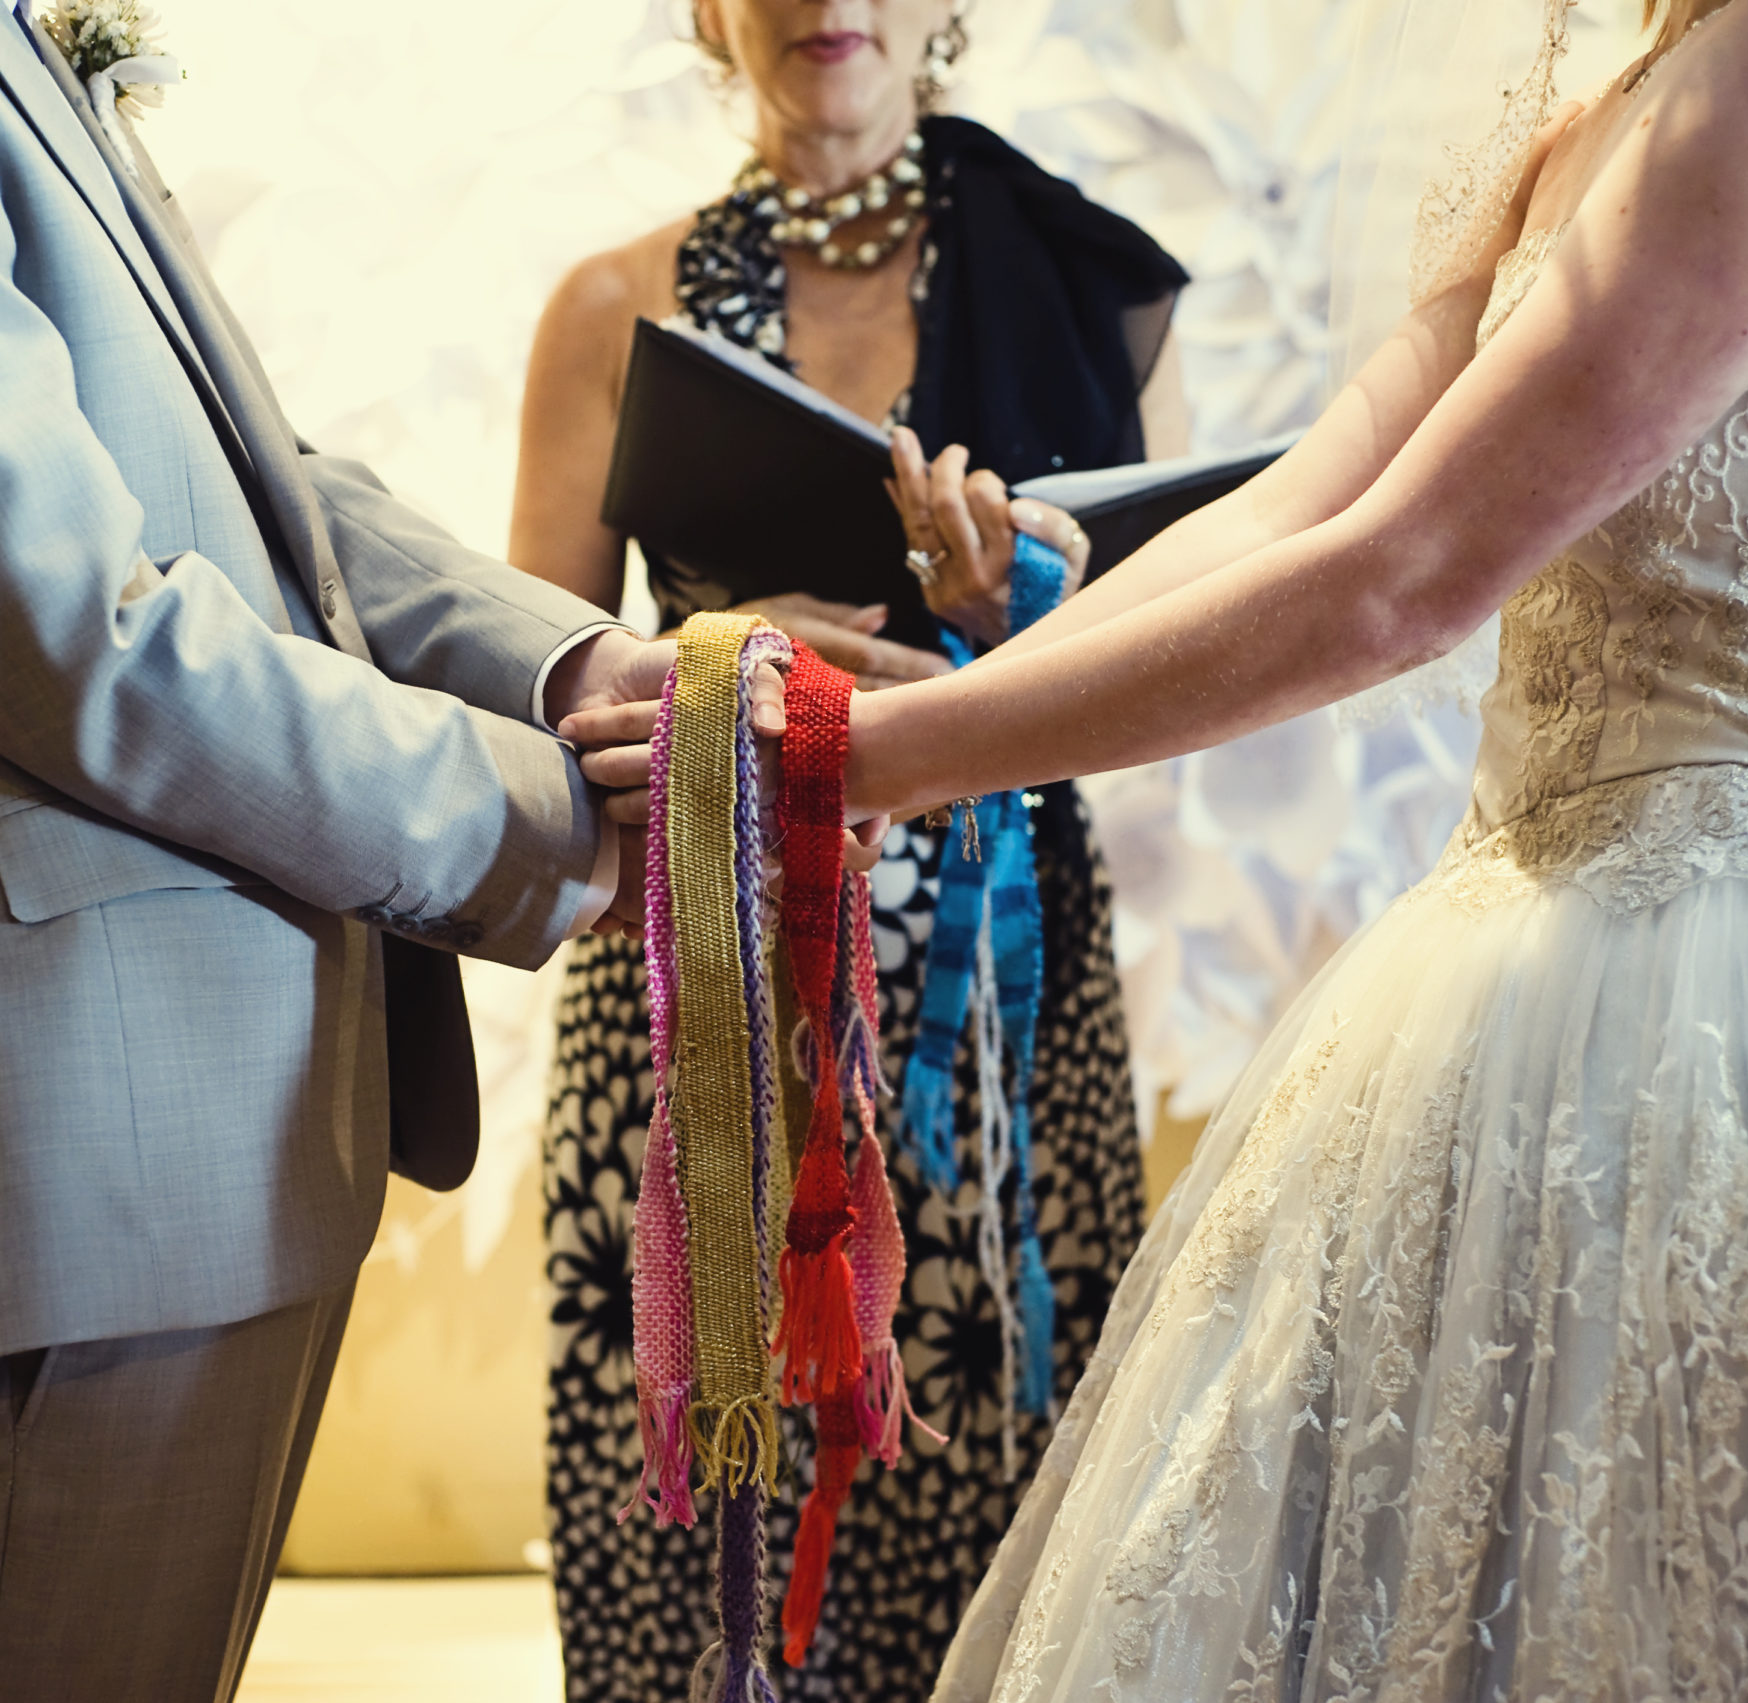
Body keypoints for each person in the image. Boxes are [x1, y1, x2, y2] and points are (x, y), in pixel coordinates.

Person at [568, 0, 1748, 1691]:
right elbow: (1299, 508)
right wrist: (917, 730)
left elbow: (1405, 576)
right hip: (1527, 953)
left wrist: (874, 755)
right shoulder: (1586, 109)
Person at [0, 0, 692, 1697]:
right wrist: (545, 822)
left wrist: (570, 666)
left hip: (214, 1143)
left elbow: (270, 493)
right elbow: (77, 633)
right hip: (74, 1163)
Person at [512, 1, 1186, 1694]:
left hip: (999, 1023)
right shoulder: (610, 310)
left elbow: (1172, 679)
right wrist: (710, 662)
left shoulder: (1098, 285)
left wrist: (1012, 627)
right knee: (701, 1516)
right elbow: (519, 714)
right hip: (696, 1006)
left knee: (994, 1492)